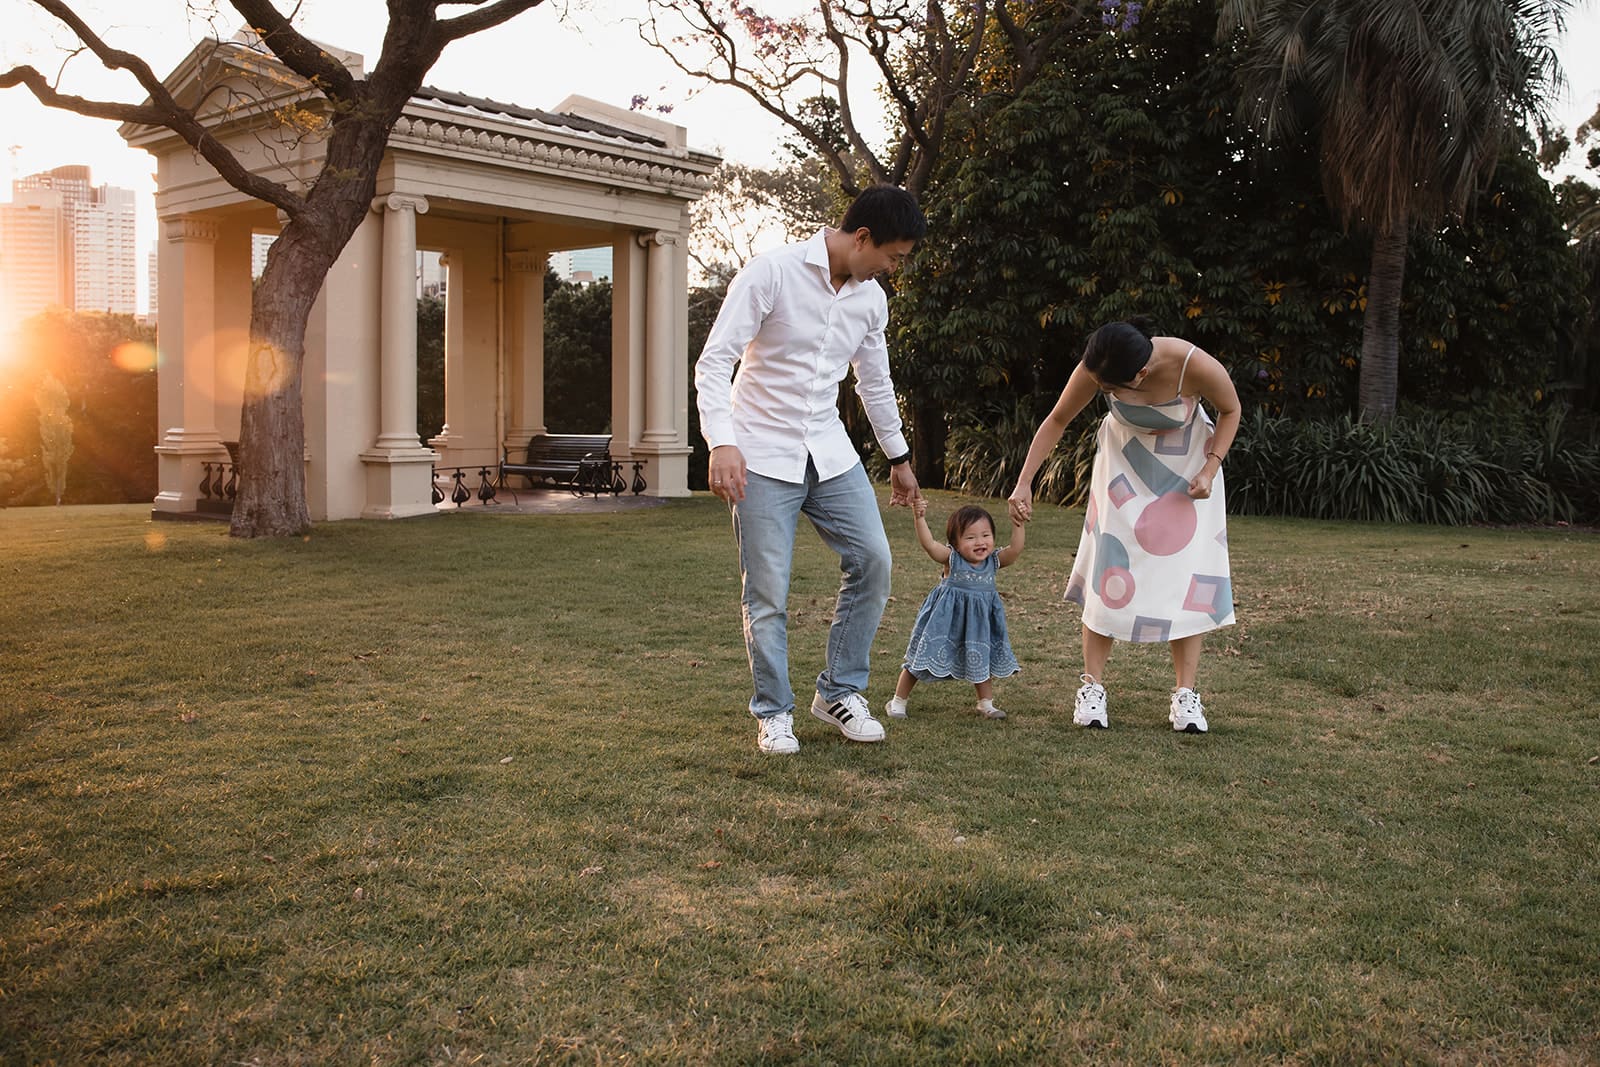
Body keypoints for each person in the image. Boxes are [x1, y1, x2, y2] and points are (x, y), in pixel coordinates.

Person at [696, 185, 927, 755]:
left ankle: (840, 693)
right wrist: (721, 443)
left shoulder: (871, 300)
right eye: (892, 257)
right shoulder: (769, 274)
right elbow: (715, 361)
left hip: (829, 451)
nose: (893, 270)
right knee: (768, 593)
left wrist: (898, 459)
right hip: (759, 456)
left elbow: (874, 382)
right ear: (863, 238)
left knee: (873, 560)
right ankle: (774, 712)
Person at [1007, 320, 1240, 733]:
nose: (1106, 393)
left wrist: (1210, 467)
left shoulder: (1193, 364)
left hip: (1189, 472)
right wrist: (1024, 482)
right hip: (1123, 469)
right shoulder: (1099, 366)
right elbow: (1058, 419)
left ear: (1142, 374)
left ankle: (1186, 696)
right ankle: (1092, 688)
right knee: (1109, 565)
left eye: (1113, 389)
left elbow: (1230, 409)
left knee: (1184, 577)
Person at [886, 500, 1025, 721]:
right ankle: (898, 702)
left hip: (978, 625)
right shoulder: (953, 559)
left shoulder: (993, 561)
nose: (980, 542)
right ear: (956, 544)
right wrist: (919, 517)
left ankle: (986, 704)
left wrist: (1018, 524)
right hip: (944, 622)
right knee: (920, 660)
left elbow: (1015, 550)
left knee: (981, 658)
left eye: (986, 535)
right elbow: (930, 545)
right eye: (970, 537)